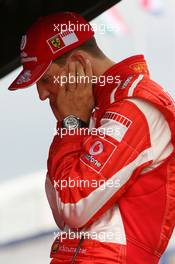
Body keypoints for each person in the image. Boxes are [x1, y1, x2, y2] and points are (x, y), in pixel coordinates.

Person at [8, 11, 175, 264]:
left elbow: (73, 206)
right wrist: (72, 125)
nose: (41, 94)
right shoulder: (93, 110)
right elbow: (61, 212)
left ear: (78, 64)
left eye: (46, 79)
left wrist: (71, 125)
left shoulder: (134, 106)